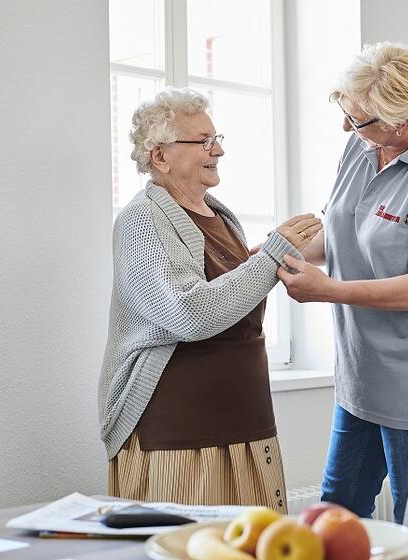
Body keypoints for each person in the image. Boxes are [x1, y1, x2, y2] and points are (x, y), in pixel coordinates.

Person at [277, 42, 408, 523]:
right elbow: (340, 231)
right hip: (362, 376)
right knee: (334, 513)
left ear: (403, 120)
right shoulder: (360, 144)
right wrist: (268, 252)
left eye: (357, 119)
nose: (345, 127)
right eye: (345, 113)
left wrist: (326, 289)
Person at [98, 86, 321, 511]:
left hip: (245, 423)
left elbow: (230, 294)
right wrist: (271, 254)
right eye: (202, 141)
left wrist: (273, 258)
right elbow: (189, 313)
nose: (217, 150)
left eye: (216, 139)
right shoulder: (142, 219)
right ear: (159, 156)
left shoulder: (220, 215)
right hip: (179, 436)